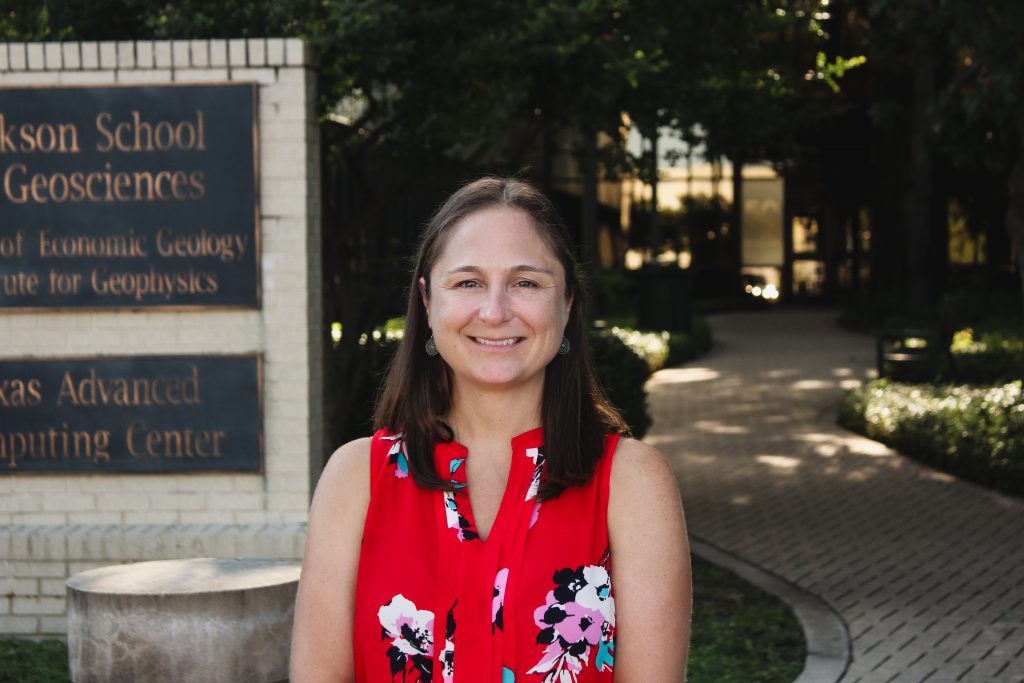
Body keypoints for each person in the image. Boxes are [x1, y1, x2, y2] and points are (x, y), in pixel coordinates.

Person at [291, 177, 691, 682]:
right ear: (428, 302)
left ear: (566, 303)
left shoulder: (632, 483)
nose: (496, 311)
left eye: (526, 282)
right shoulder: (355, 480)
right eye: (468, 282)